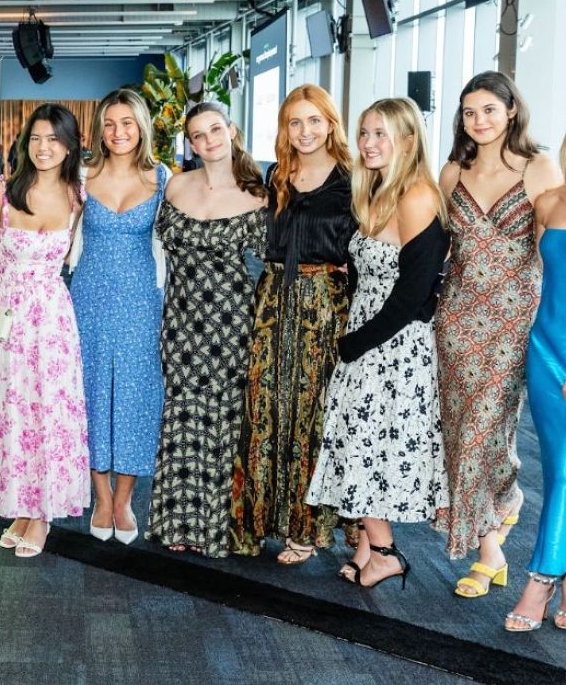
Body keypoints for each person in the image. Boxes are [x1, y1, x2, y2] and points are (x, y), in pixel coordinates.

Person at [307, 98, 449, 589]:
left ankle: (386, 552)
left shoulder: (415, 196)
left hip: (391, 345)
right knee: (364, 443)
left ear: (408, 141)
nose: (368, 143)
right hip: (372, 335)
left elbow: (412, 295)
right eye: (364, 132)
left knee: (364, 445)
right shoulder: (379, 193)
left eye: (381, 134)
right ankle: (369, 545)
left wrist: (355, 344)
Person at [435, 72, 560, 596]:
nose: (479, 120)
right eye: (469, 112)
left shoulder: (539, 168)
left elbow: (559, 252)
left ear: (511, 110)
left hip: (513, 324)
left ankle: (489, 547)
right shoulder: (451, 172)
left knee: (488, 431)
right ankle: (496, 525)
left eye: (489, 109)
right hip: (455, 321)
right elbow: (438, 252)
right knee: (459, 432)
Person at [230, 85, 356, 564]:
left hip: (323, 308)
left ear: (330, 124)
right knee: (263, 411)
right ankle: (259, 522)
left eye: (314, 121)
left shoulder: (352, 179)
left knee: (310, 418)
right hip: (271, 302)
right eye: (294, 122)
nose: (304, 131)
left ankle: (304, 527)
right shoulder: (276, 175)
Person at [0, 103, 89, 559]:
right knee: (12, 413)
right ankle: (21, 506)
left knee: (49, 415)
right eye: (36, 138)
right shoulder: (1, 191)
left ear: (70, 145)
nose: (43, 147)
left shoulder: (78, 197)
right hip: (8, 316)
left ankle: (42, 516)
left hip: (52, 320)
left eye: (53, 139)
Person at [146, 103, 266, 557]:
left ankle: (216, 529)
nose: (209, 140)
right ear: (191, 144)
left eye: (216, 129)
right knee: (181, 415)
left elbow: (272, 264)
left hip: (231, 323)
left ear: (231, 131)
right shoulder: (176, 186)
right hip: (179, 321)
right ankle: (177, 522)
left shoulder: (259, 194)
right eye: (199, 135)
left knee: (223, 421)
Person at [503, 100, 566, 633]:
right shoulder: (549, 202)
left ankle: (539, 580)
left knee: (563, 472)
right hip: (544, 351)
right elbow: (531, 276)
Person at [69, 89, 166, 545]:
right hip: (87, 298)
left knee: (134, 397)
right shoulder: (83, 174)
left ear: (142, 127)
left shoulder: (164, 178)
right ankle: (100, 497)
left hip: (141, 302)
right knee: (88, 393)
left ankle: (124, 499)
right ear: (99, 130)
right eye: (110, 124)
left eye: (127, 123)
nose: (118, 132)